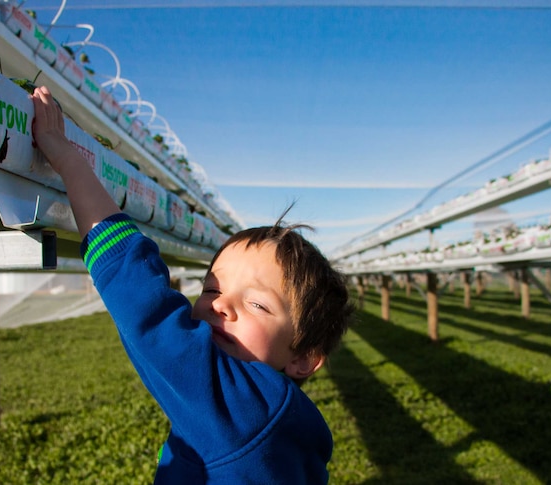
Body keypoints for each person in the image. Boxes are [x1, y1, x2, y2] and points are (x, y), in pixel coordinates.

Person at [31, 85, 355, 484]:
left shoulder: (240, 411)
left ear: (303, 358)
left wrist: (69, 160)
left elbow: (145, 305)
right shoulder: (281, 423)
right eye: (211, 290)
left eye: (257, 304)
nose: (221, 305)